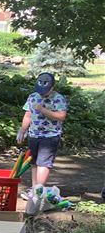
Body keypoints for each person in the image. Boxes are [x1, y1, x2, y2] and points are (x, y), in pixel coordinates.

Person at [16, 72, 68, 211]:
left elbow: (61, 116)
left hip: (50, 136)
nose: (42, 93)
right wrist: (22, 130)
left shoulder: (58, 98)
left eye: (45, 90)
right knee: (33, 162)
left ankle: (39, 190)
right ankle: (35, 190)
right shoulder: (33, 96)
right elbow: (28, 115)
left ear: (52, 87)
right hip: (33, 135)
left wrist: (43, 110)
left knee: (43, 163)